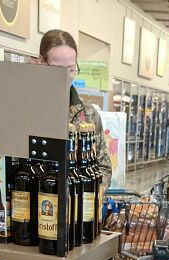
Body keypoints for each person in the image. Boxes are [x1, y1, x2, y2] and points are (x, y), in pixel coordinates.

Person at [38, 29, 112, 190]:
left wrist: (86, 194)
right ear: (42, 62)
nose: (67, 76)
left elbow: (104, 168)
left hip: (77, 208)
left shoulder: (89, 115)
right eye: (58, 69)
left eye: (71, 68)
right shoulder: (27, 109)